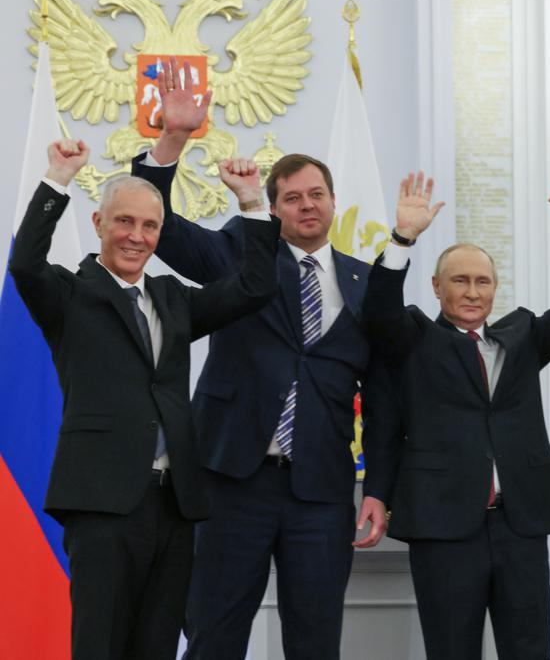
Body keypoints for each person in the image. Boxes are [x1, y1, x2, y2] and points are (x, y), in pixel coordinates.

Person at [130, 58, 397, 659]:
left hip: (323, 492)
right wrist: (172, 139)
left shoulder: (366, 284)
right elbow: (165, 230)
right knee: (214, 634)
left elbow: (381, 396)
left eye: (316, 195)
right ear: (273, 209)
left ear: (333, 201)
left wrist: (378, 487)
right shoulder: (239, 255)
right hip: (232, 481)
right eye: (292, 198)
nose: (306, 205)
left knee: (314, 638)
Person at [8, 138, 279, 660]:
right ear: (99, 225)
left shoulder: (173, 299)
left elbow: (254, 288)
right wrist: (56, 178)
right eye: (125, 222)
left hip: (173, 504)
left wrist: (251, 202)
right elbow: (24, 265)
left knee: (156, 644)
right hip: (102, 500)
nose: (137, 236)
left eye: (149, 226)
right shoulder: (69, 294)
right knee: (100, 642)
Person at [360, 168, 550, 659]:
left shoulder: (522, 338)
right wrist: (403, 238)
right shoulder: (414, 338)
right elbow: (379, 309)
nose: (473, 292)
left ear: (495, 289)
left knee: (530, 648)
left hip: (521, 523)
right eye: (460, 281)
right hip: (444, 523)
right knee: (452, 649)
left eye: (483, 282)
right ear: (436, 287)